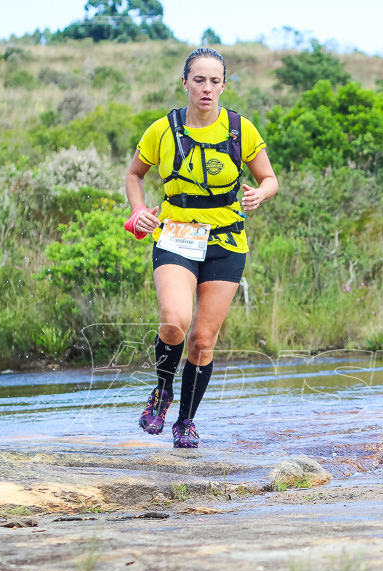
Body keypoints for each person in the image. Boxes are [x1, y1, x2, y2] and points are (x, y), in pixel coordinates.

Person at [124, 47, 278, 448]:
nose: (207, 88)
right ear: (185, 83)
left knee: (203, 341)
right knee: (175, 320)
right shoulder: (162, 129)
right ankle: (161, 392)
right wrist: (139, 209)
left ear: (224, 85)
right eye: (199, 80)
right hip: (176, 234)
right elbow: (134, 174)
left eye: (214, 81)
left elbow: (270, 178)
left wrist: (260, 193)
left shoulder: (240, 129)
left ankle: (185, 421)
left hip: (226, 241)